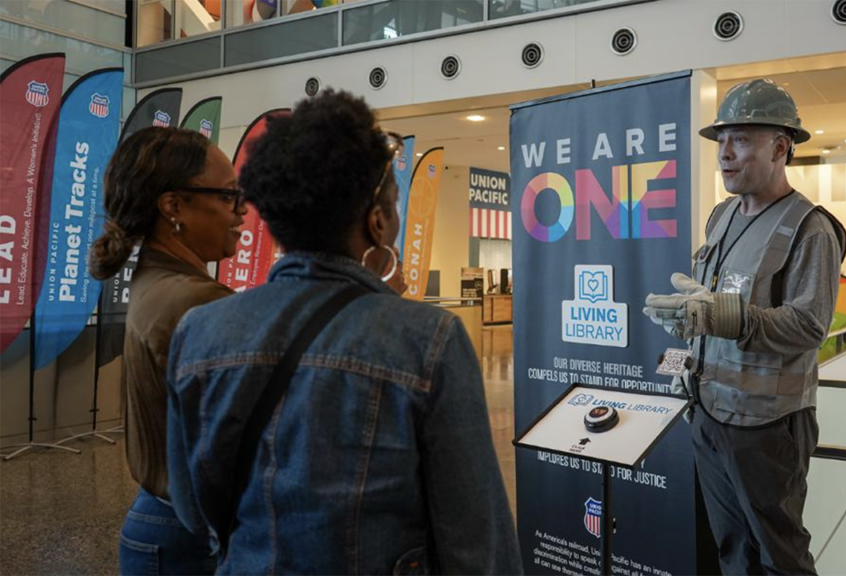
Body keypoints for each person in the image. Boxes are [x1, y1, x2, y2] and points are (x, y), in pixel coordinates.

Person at [164, 89, 522, 575]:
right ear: (377, 222)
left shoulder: (199, 331)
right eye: (393, 205)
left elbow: (190, 508)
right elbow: (476, 538)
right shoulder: (428, 339)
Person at [642, 79, 846, 575]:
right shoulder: (723, 216)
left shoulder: (810, 229)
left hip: (768, 427)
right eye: (722, 141)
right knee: (733, 549)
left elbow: (809, 325)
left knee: (781, 556)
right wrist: (690, 326)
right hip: (709, 414)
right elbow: (711, 299)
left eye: (741, 140)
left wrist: (724, 316)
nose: (725, 154)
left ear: (780, 147)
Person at [89, 126, 246, 575]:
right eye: (229, 196)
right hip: (188, 539)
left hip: (164, 524)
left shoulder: (161, 279)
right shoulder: (193, 299)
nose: (242, 211)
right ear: (173, 206)